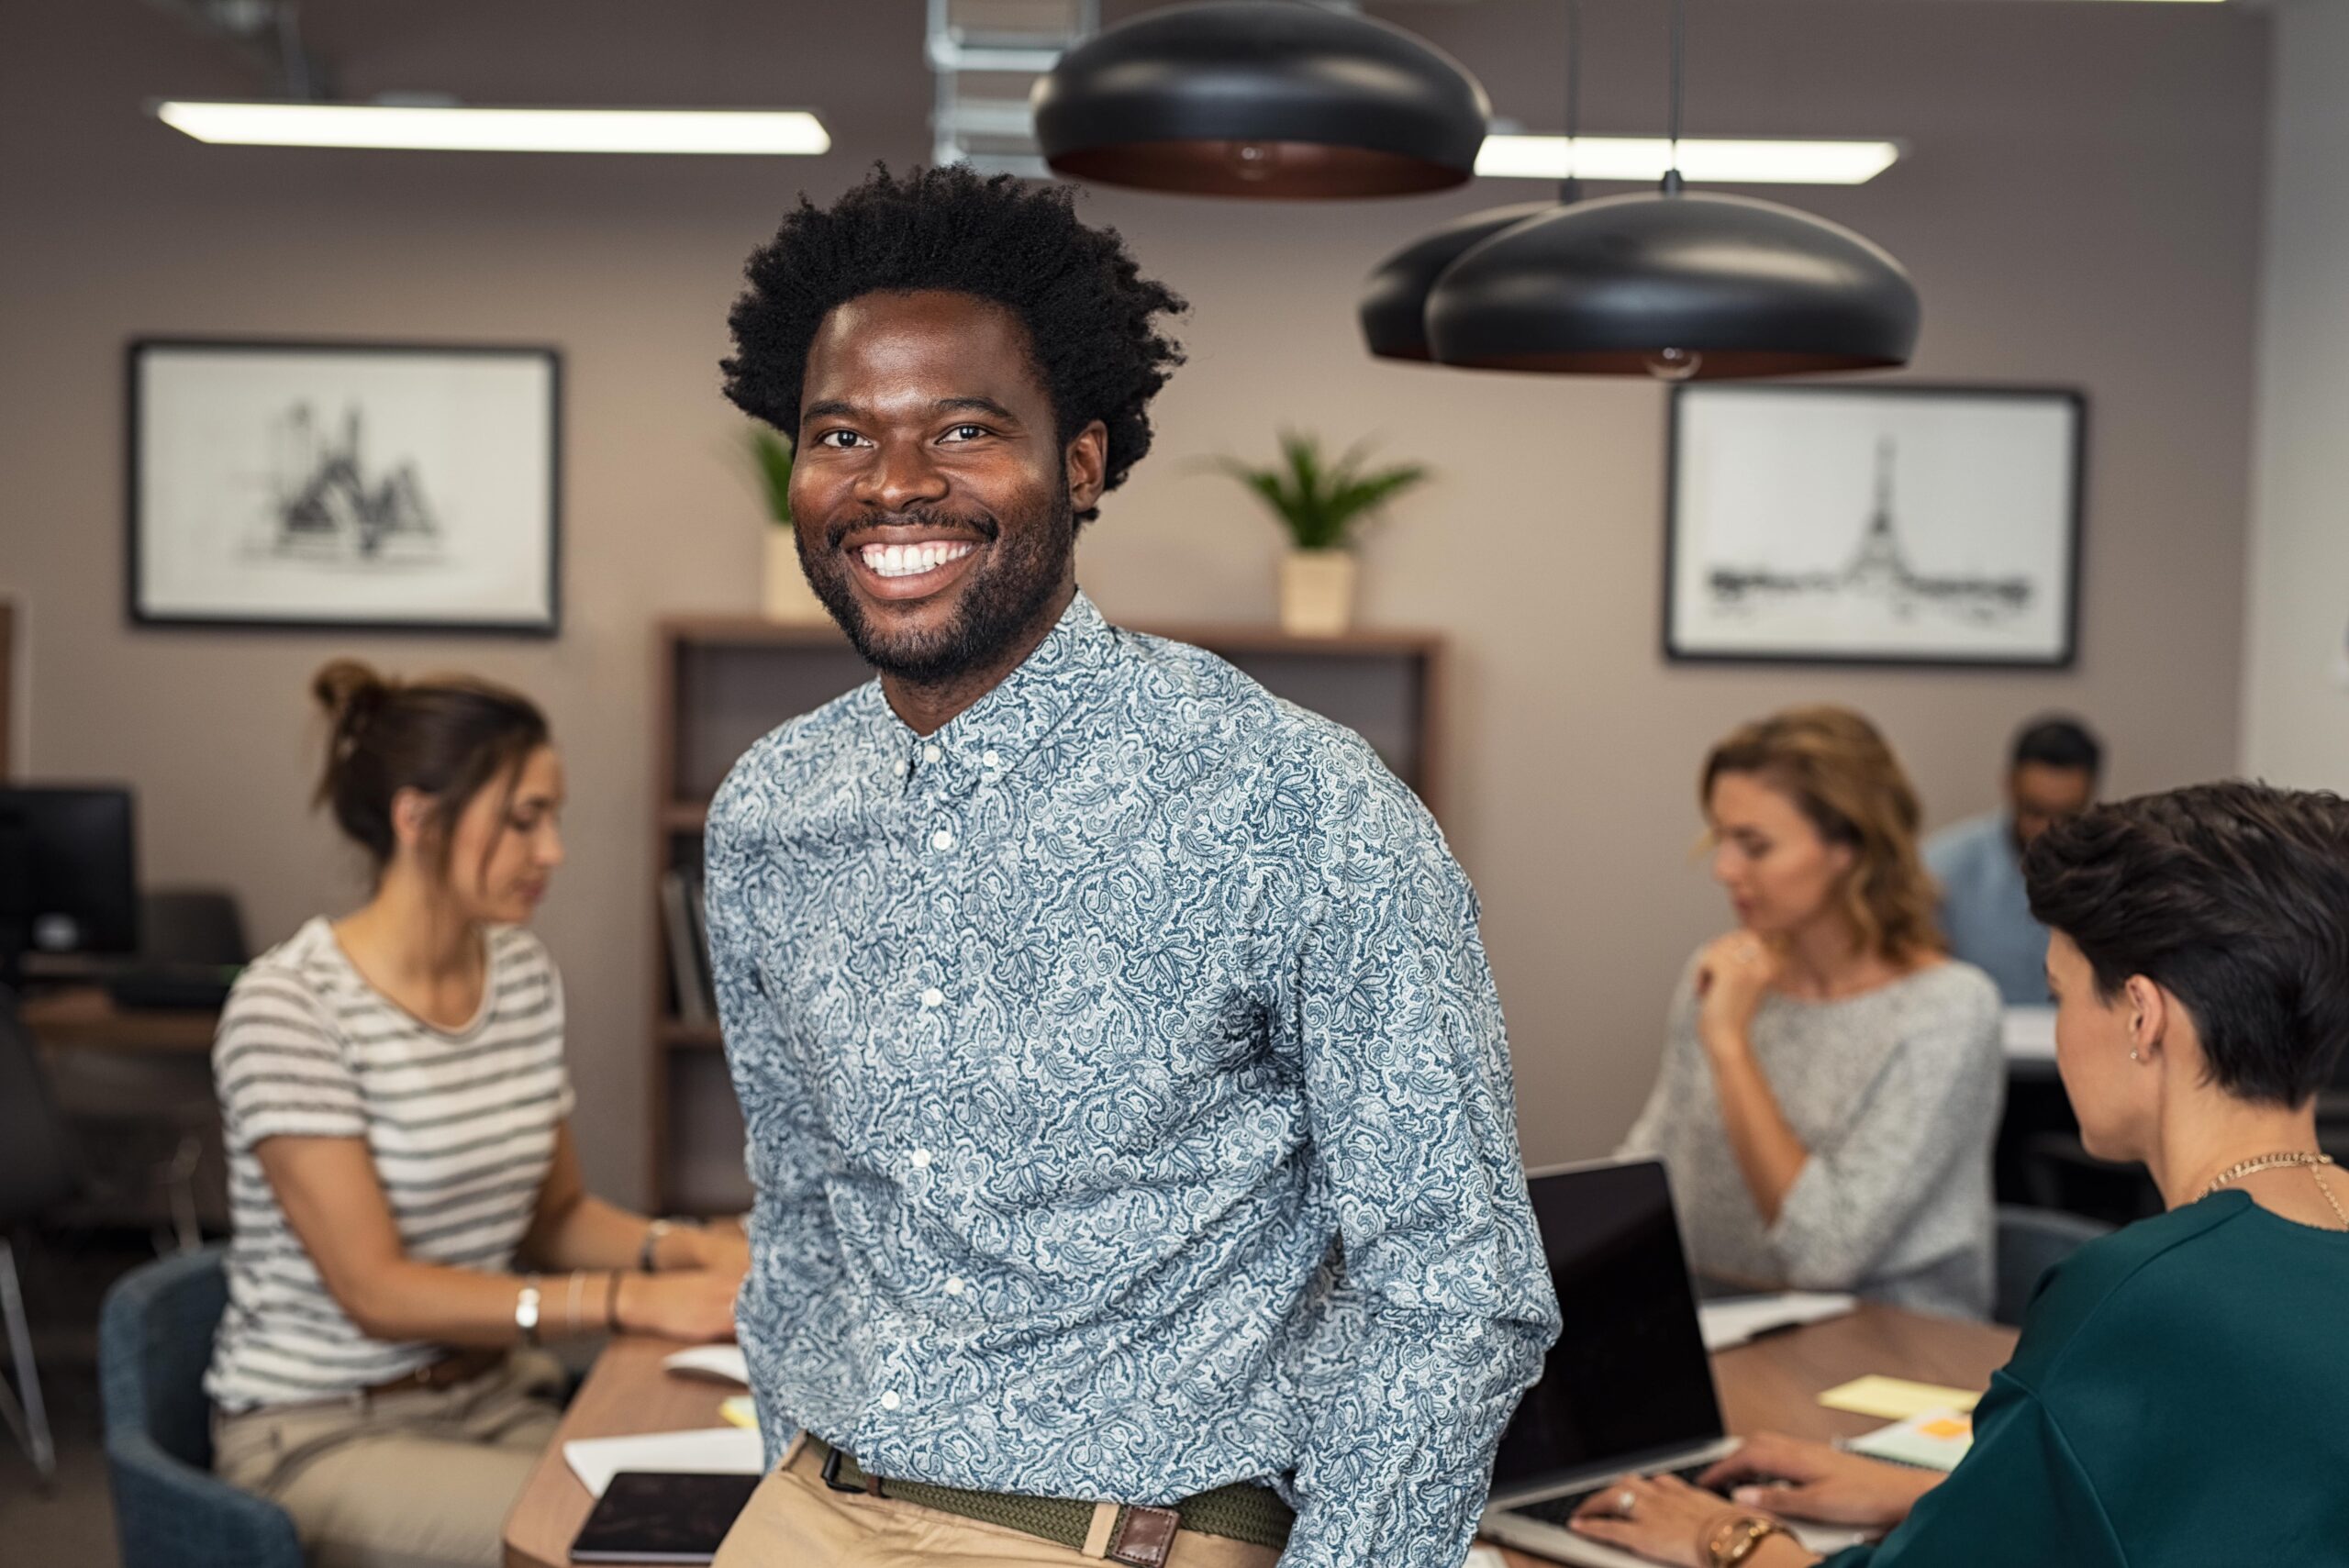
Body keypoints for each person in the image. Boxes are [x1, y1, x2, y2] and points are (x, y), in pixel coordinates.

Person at [703, 164, 1558, 1568]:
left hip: (1134, 1535)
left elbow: (1456, 1284)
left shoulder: (1296, 805)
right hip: (811, 1506)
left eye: (964, 430)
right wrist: (790, 1480)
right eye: (842, 434)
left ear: (1083, 463)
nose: (894, 483)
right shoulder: (768, 813)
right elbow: (800, 1210)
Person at [1564, 780, 2349, 1568]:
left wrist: (1724, 1536)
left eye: (2059, 995)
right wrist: (1938, 1493)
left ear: (2142, 1016)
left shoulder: (2134, 1296)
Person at [206, 662, 749, 1568]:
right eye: (523, 818)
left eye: (553, 817)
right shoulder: (290, 1007)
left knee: (739, 1508)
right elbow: (377, 1291)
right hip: (328, 1428)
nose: (553, 850)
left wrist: (685, 1248)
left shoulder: (521, 976)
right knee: (648, 1547)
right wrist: (631, 1298)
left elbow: (555, 1216)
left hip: (493, 1397)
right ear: (417, 819)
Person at [1617, 707, 2003, 1320]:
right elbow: (1655, 1161)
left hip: (1889, 1341)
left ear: (1848, 847)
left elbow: (1825, 1252)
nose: (1724, 869)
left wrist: (1730, 1045)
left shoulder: (1947, 1011)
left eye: (1755, 846)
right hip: (1720, 1317)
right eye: (1721, 839)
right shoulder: (1720, 976)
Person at [1922, 714, 2102, 1005]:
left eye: (2067, 816)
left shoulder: (2113, 872)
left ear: (2090, 795)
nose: (2047, 829)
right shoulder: (1942, 868)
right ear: (2009, 784)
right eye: (2034, 811)